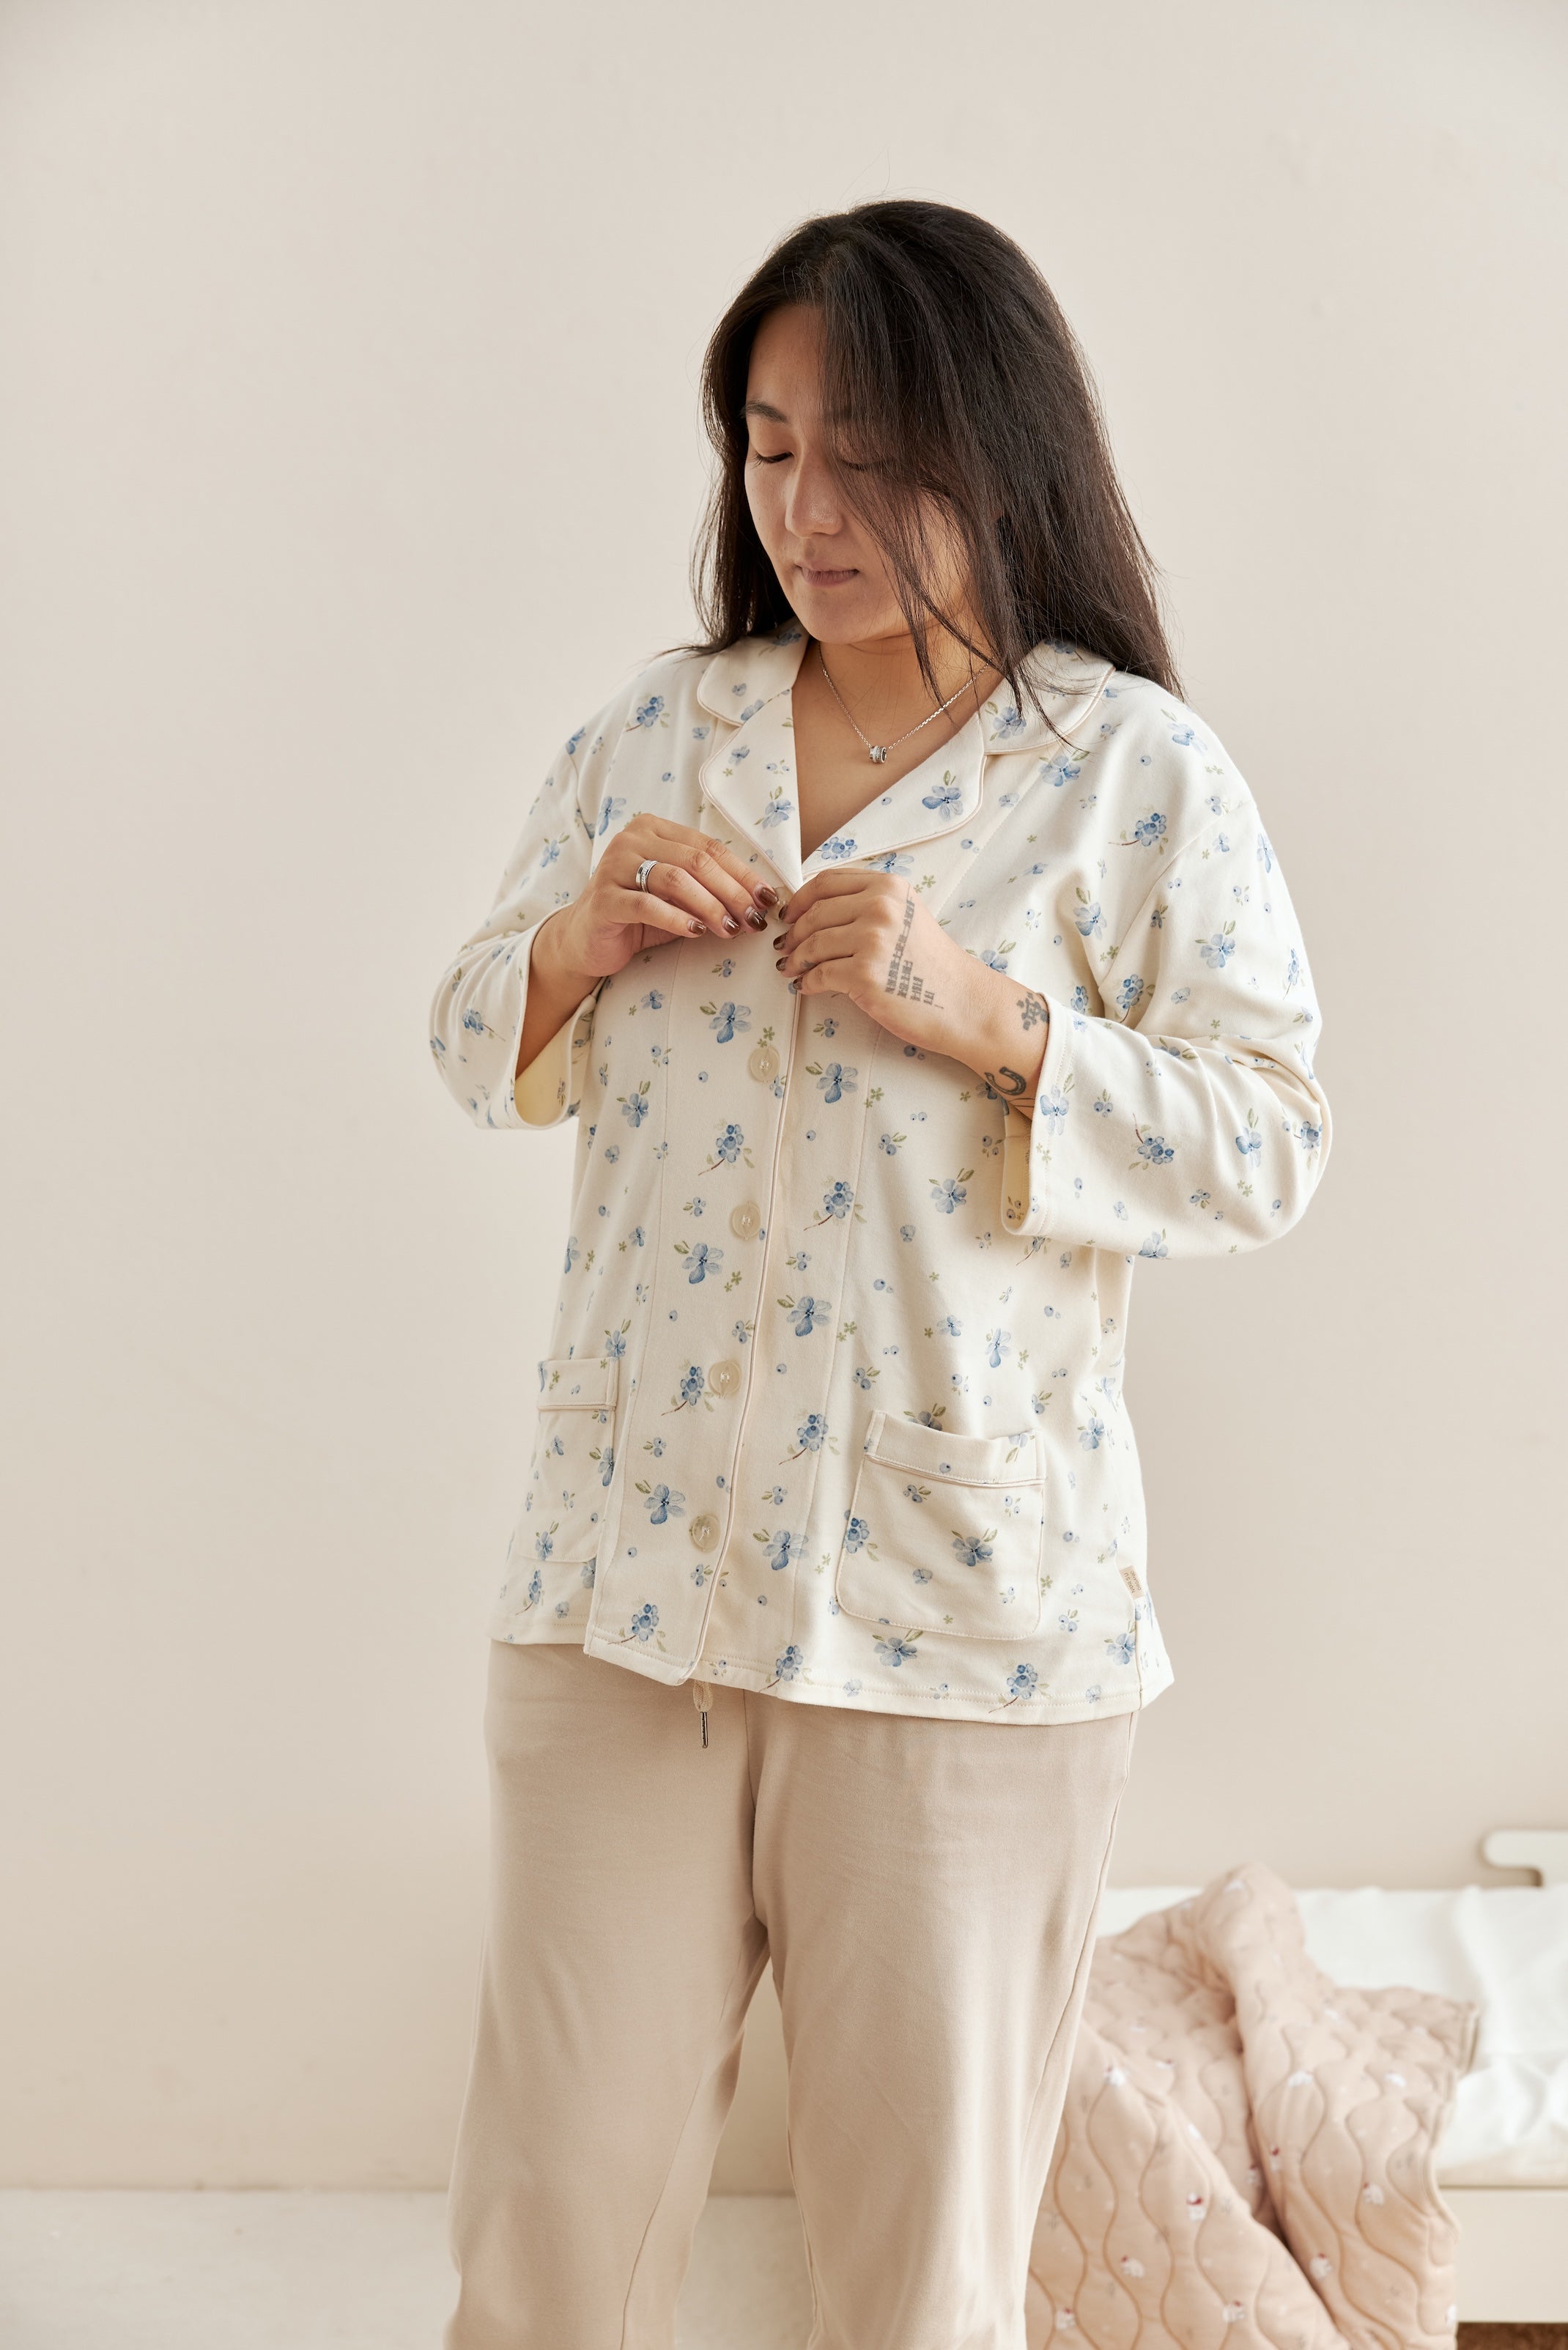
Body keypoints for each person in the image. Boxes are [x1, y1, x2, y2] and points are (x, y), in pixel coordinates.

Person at [428, 199, 1331, 2350]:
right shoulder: (657, 734)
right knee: (548, 2235)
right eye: (765, 448)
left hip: (967, 1627)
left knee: (915, 2282)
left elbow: (1270, 1144)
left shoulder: (1126, 776)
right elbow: (473, 1039)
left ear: (995, 455)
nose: (807, 510)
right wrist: (566, 940)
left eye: (868, 454)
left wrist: (994, 1020)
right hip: (625, 1592)